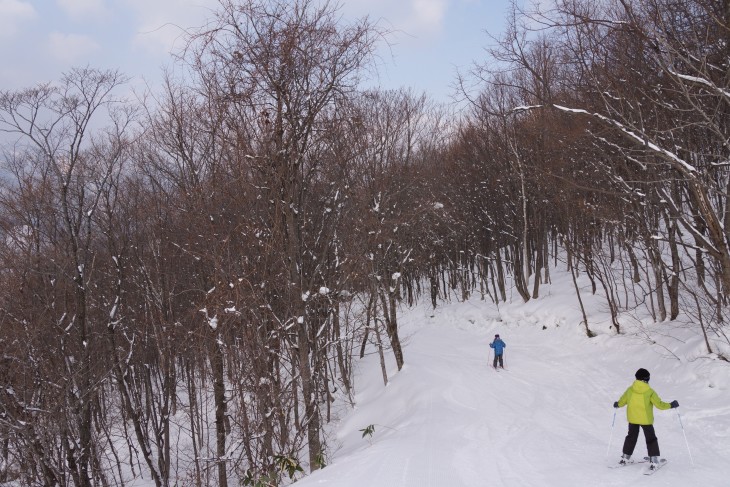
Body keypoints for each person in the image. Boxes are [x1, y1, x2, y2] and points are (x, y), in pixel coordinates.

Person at [613, 368, 679, 471]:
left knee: (631, 437)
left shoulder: (630, 389)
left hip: (633, 419)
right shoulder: (649, 391)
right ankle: (654, 461)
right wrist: (671, 405)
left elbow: (622, 401)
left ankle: (625, 458)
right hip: (646, 420)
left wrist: (617, 404)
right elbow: (659, 405)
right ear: (646, 379)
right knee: (651, 439)